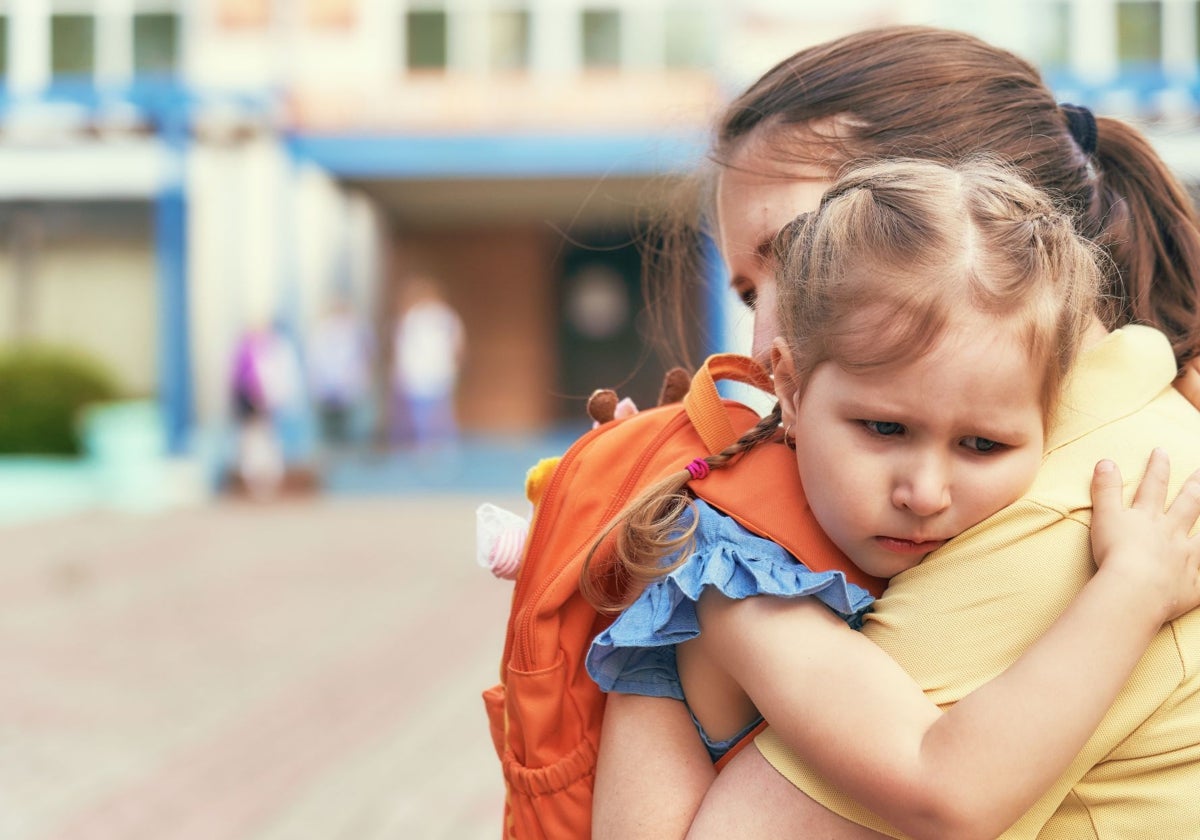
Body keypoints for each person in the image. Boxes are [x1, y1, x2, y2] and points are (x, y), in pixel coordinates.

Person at [616, 24, 1200, 839]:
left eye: (799, 250)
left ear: (962, 211)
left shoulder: (1072, 523)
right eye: (753, 292)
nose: (759, 350)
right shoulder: (1120, 429)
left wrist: (694, 581)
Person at [390, 277, 465, 450]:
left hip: (438, 372)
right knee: (421, 415)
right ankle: (426, 447)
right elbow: (403, 348)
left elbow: (457, 346)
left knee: (439, 414)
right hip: (418, 375)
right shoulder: (412, 318)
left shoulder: (445, 318)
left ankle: (443, 446)